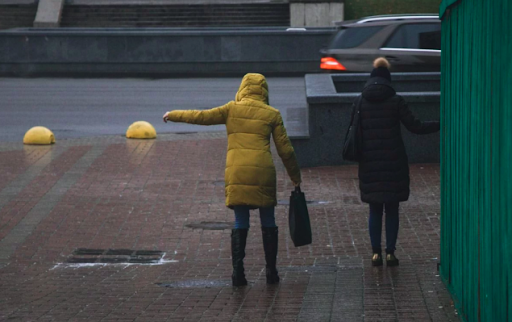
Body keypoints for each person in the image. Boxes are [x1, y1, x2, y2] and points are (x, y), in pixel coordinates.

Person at [163, 73, 301, 286]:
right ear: (264, 91)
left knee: (240, 221)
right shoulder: (272, 114)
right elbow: (286, 150)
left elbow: (201, 116)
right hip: (262, 172)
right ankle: (271, 272)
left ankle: (238, 273)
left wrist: (173, 114)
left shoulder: (231, 109)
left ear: (242, 88)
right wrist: (295, 177)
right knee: (268, 221)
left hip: (237, 173)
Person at [356, 58, 440, 267]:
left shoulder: (360, 101)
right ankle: (391, 253)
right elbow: (415, 126)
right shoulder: (396, 100)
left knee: (374, 209)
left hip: (370, 162)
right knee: (392, 208)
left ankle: (375, 254)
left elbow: (353, 132)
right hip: (394, 162)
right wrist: (440, 123)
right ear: (388, 80)